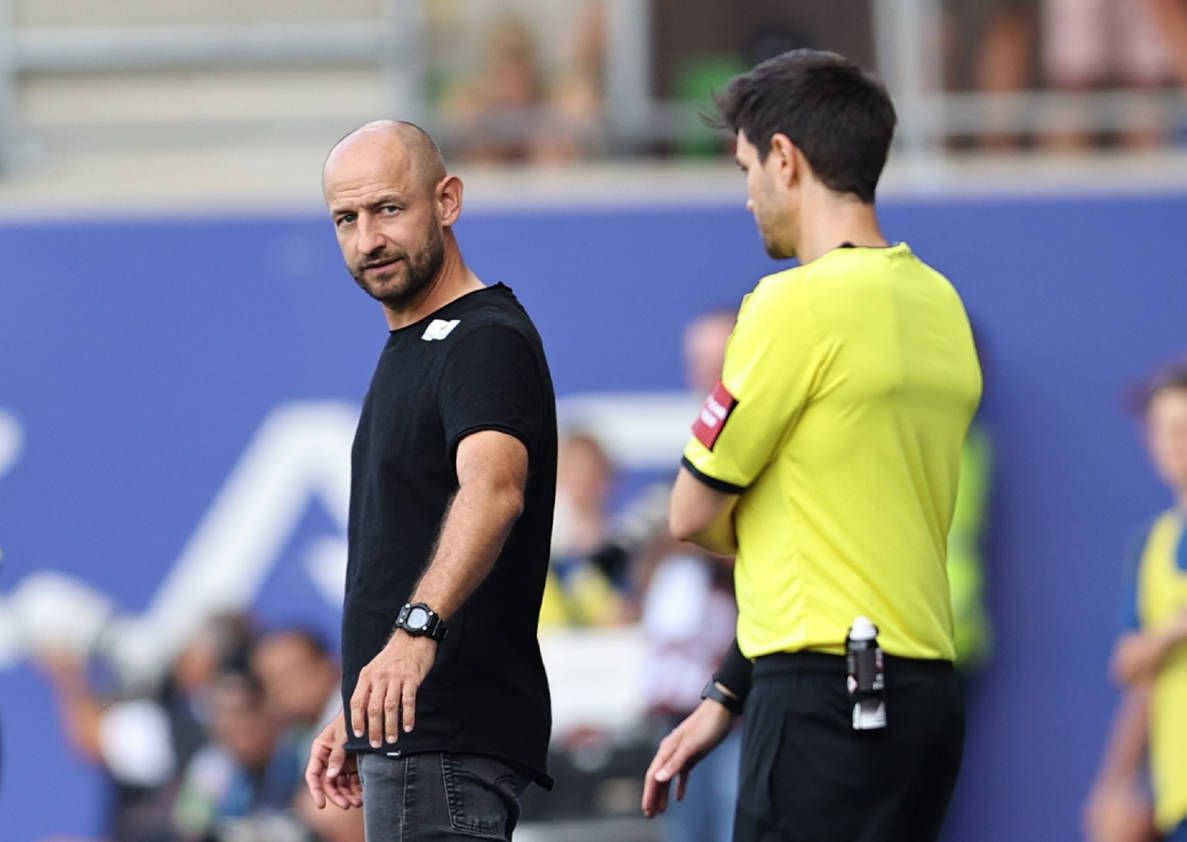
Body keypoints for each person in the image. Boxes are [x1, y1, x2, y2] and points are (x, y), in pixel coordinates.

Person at [640, 50, 982, 842]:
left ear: (784, 159)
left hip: (823, 699)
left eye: (746, 169)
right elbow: (848, 528)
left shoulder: (789, 305)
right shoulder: (940, 302)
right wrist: (727, 691)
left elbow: (689, 514)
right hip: (924, 699)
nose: (748, 194)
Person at [304, 120, 557, 842]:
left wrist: (416, 633)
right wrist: (361, 704)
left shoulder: (483, 338)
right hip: (417, 734)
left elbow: (495, 490)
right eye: (346, 219)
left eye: (388, 209)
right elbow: (405, 544)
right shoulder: (415, 343)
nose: (368, 240)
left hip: (446, 737)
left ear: (447, 201)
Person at [636, 310, 741, 842]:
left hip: (743, 689)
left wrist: (695, 538)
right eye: (697, 364)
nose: (703, 378)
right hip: (681, 691)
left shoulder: (760, 442)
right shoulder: (696, 446)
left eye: (716, 363)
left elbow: (771, 558)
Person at [1109, 362, 1187, 842]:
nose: (1174, 442)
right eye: (1163, 428)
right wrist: (1116, 784)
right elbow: (1129, 666)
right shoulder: (1151, 544)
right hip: (1176, 798)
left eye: (1185, 427)